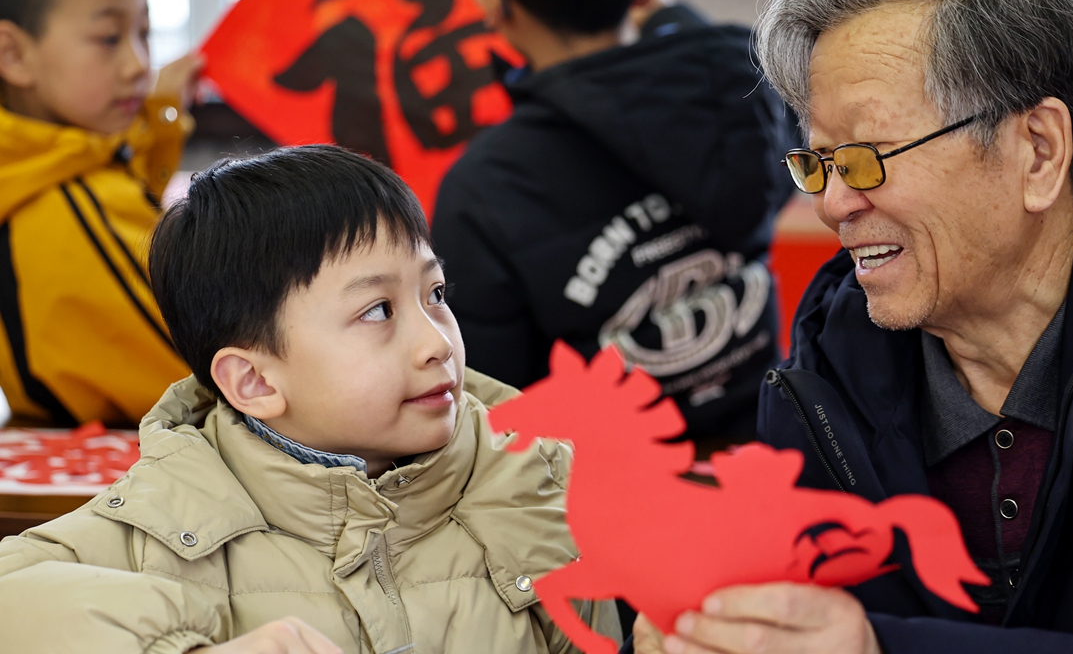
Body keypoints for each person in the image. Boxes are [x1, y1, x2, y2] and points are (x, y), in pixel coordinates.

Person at [633, 0, 1073, 653]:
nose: (833, 204)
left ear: (1039, 150)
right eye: (819, 162)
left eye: (868, 158)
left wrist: (875, 648)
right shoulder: (824, 380)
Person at [0, 145, 620, 653]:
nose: (437, 343)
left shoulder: (542, 481)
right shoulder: (163, 527)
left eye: (435, 293)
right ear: (256, 383)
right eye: (378, 310)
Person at [432, 0, 796, 443]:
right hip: (780, 443)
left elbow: (494, 406)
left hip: (614, 497)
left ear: (495, 1)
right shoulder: (743, 89)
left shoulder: (485, 187)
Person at [0, 0, 201, 427]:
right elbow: (219, 387)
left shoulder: (44, 169)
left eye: (145, 33)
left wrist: (160, 123)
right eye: (110, 38)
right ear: (13, 54)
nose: (138, 65)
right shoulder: (64, 206)